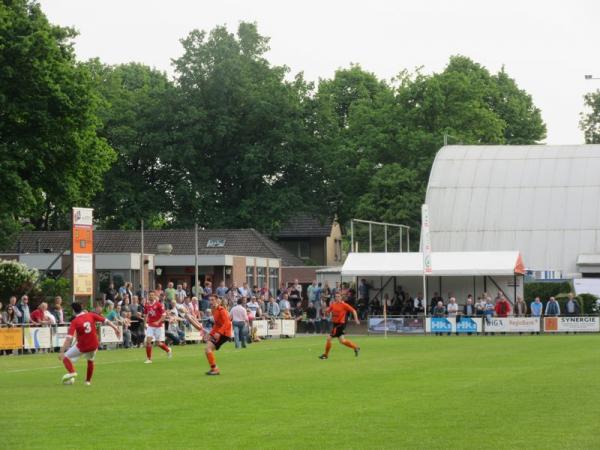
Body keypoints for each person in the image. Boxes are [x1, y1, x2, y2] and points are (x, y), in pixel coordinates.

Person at [59, 302, 121, 385]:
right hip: (94, 344)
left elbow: (68, 338)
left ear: (73, 311)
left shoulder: (75, 321)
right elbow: (106, 321)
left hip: (83, 346)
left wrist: (62, 352)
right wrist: (116, 329)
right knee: (90, 361)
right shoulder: (91, 314)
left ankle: (72, 372)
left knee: (65, 357)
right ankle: (87, 382)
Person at [185, 294, 232, 375]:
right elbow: (216, 325)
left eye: (213, 300)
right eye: (210, 300)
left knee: (208, 349)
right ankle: (214, 368)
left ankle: (215, 369)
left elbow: (228, 323)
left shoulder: (221, 310)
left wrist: (219, 333)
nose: (211, 302)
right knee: (207, 349)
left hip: (224, 334)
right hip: (220, 333)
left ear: (217, 300)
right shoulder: (214, 310)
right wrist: (211, 334)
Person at [319, 293, 360, 360]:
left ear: (341, 297)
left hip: (340, 324)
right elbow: (327, 312)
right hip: (335, 324)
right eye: (336, 296)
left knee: (329, 338)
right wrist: (324, 310)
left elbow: (354, 311)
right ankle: (356, 347)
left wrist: (356, 320)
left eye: (338, 296)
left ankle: (325, 355)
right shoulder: (333, 305)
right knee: (342, 341)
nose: (337, 297)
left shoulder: (344, 305)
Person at [143, 292, 172, 363]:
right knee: (148, 341)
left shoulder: (158, 304)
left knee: (158, 343)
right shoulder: (146, 304)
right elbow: (146, 314)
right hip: (150, 325)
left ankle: (168, 350)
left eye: (152, 295)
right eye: (150, 295)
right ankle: (149, 359)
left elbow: (164, 315)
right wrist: (144, 323)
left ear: (154, 296)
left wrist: (158, 322)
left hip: (158, 326)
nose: (151, 296)